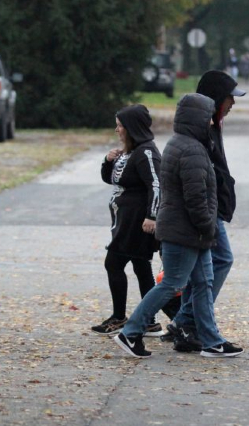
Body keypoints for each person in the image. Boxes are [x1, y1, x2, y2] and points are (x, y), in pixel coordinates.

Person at [113, 93, 243, 358]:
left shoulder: (183, 144)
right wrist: (208, 227)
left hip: (190, 231)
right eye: (208, 118)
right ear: (198, 119)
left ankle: (211, 340)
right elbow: (195, 198)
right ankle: (130, 332)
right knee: (172, 283)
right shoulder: (191, 150)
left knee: (204, 282)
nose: (210, 124)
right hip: (185, 232)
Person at [164, 71, 246, 353]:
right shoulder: (201, 130)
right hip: (205, 211)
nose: (233, 104)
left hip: (214, 208)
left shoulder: (213, 125)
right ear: (215, 99)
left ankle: (186, 322)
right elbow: (199, 178)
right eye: (229, 98)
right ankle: (186, 320)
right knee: (220, 260)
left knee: (204, 271)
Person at [92, 104, 176, 337]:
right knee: (141, 266)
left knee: (113, 264)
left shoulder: (146, 152)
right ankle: (149, 321)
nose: (117, 130)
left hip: (137, 222)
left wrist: (152, 215)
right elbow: (112, 179)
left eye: (120, 126)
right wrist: (108, 161)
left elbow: (156, 185)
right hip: (124, 219)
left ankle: (120, 317)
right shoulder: (130, 151)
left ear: (131, 128)